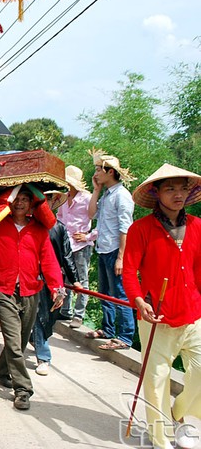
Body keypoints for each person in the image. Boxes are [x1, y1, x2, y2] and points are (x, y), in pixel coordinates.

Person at [0, 183, 64, 411]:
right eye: (16, 198)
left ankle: (0, 371)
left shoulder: (39, 230)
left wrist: (57, 287)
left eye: (25, 199)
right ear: (8, 200)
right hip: (2, 289)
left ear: (32, 204)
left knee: (23, 339)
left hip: (30, 290)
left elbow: (48, 261)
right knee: (14, 342)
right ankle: (23, 389)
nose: (19, 203)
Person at [122, 164, 201, 449]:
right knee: (156, 380)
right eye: (171, 188)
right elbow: (129, 271)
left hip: (193, 313)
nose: (178, 194)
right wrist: (139, 301)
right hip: (156, 315)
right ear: (157, 193)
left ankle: (179, 415)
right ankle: (160, 438)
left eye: (183, 188)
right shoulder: (141, 229)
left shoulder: (197, 226)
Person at [86, 150, 136, 350]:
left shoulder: (122, 196)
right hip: (104, 248)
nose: (96, 173)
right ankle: (107, 329)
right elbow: (91, 214)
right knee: (104, 292)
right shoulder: (107, 195)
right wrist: (96, 190)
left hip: (116, 250)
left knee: (120, 294)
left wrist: (121, 258)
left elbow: (126, 228)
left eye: (99, 169)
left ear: (110, 172)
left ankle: (125, 336)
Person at [31, 191, 79, 377]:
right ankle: (43, 356)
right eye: (42, 198)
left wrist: (75, 280)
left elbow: (66, 256)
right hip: (30, 278)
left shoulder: (59, 228)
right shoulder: (28, 225)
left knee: (48, 318)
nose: (46, 202)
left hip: (53, 280)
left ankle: (37, 342)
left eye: (49, 198)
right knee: (36, 316)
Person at [57, 165, 96, 329]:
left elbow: (103, 220)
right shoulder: (63, 198)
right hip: (66, 244)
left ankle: (79, 315)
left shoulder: (87, 198)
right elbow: (59, 217)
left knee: (82, 280)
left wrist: (88, 236)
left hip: (81, 244)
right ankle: (65, 310)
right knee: (66, 276)